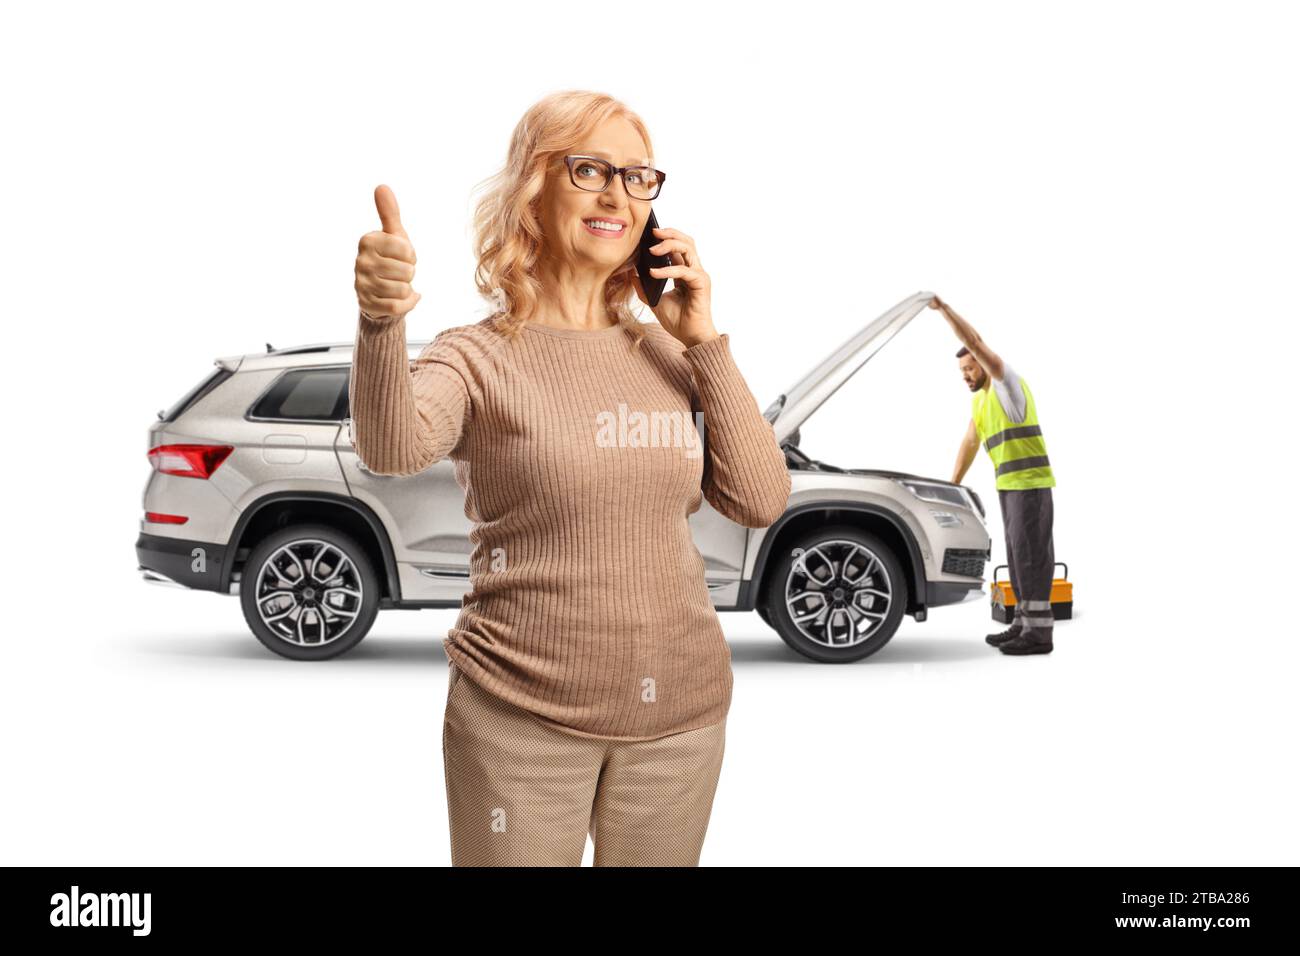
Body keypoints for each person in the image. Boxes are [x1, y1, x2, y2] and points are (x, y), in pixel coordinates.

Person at [348, 90, 791, 865]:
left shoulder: (671, 354)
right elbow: (392, 447)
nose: (617, 194)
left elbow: (759, 498)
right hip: (520, 718)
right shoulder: (476, 354)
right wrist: (381, 323)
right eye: (589, 169)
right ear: (532, 187)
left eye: (639, 177)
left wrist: (705, 340)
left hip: (680, 720)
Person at [930, 296, 1057, 656]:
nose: (966, 375)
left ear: (983, 363)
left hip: (1030, 487)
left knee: (1032, 556)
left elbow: (975, 342)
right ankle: (1022, 624)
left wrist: (944, 310)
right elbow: (970, 441)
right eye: (961, 371)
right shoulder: (980, 401)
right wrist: (952, 484)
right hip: (1010, 489)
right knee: (1019, 557)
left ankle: (1039, 636)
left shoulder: (1006, 385)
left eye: (970, 368)